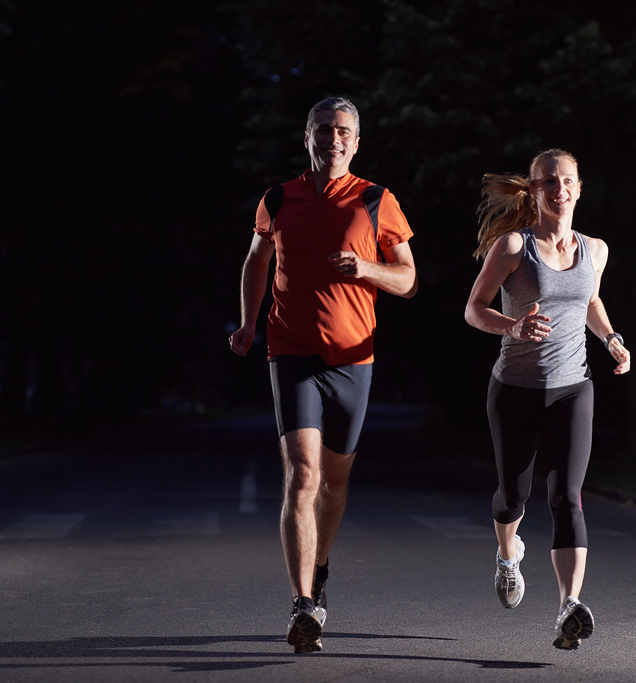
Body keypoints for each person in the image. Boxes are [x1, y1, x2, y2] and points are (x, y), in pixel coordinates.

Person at [229, 96, 418, 654]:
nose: (332, 138)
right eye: (323, 129)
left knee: (334, 483)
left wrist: (366, 268)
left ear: (355, 143)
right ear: (307, 137)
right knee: (303, 474)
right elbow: (256, 261)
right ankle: (303, 603)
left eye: (342, 131)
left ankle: (321, 567)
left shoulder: (376, 200)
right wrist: (248, 323)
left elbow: (408, 279)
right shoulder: (278, 198)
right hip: (290, 351)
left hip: (353, 359)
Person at [464, 148, 630, 651]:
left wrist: (610, 338)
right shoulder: (514, 246)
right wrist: (512, 326)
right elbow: (474, 308)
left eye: (567, 181)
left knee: (567, 497)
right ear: (534, 191)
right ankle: (508, 554)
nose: (559, 189)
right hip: (515, 389)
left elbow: (590, 299)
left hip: (573, 387)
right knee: (513, 496)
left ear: (579, 189)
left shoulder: (595, 250)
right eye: (549, 182)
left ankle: (568, 608)